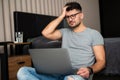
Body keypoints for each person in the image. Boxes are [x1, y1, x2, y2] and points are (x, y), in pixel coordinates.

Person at [17, 2, 106, 80]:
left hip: (78, 75)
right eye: (67, 17)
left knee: (69, 79)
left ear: (81, 15)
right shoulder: (64, 32)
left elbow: (101, 61)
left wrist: (89, 70)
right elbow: (45, 33)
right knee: (23, 71)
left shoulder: (94, 34)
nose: (70, 19)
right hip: (57, 74)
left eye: (73, 15)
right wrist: (61, 16)